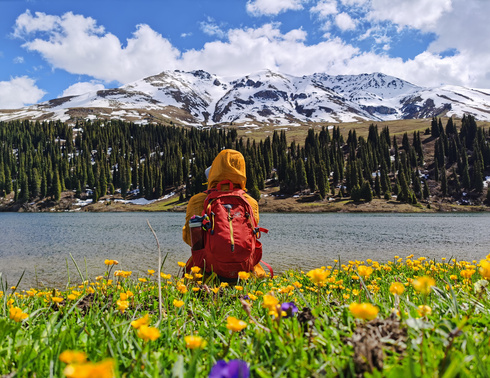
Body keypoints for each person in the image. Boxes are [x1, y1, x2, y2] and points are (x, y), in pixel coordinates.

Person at [182, 149, 267, 279]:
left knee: (191, 272)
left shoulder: (198, 200)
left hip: (207, 270)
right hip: (244, 271)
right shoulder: (250, 202)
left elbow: (190, 239)